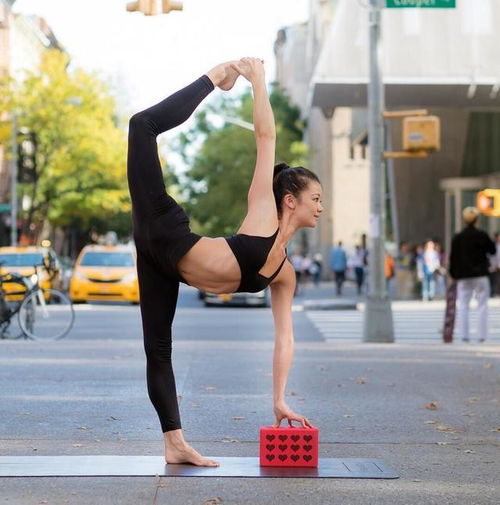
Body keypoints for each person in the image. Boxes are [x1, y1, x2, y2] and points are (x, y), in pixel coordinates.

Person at [127, 58, 321, 467]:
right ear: (291, 200)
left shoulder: (285, 274)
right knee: (141, 126)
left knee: (158, 350)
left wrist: (279, 399)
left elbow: (284, 339)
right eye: (316, 199)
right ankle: (215, 76)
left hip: (161, 263)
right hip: (163, 229)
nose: (321, 207)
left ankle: (174, 443)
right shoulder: (264, 211)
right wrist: (258, 80)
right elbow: (266, 137)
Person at [449, 207, 496, 343]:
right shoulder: (482, 235)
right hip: (481, 274)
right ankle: (482, 335)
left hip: (463, 276)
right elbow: (492, 250)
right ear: (477, 220)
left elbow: (453, 258)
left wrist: (453, 275)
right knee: (482, 305)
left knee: (463, 305)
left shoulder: (457, 238)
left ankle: (464, 335)